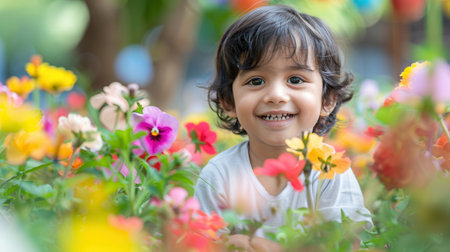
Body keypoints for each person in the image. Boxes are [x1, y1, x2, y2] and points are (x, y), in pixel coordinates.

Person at [194, 4, 372, 251]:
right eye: (256, 81)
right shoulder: (220, 175)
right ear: (228, 101)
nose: (276, 95)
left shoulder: (330, 173)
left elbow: (352, 243)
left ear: (328, 99)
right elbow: (200, 243)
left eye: (296, 80)